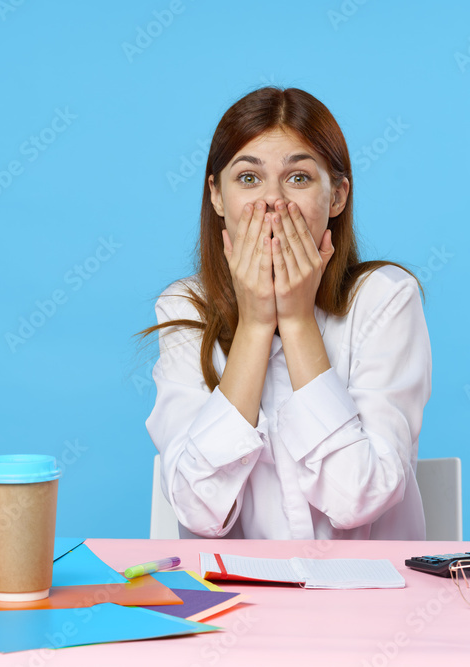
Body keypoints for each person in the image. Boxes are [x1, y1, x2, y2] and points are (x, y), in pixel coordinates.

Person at [143, 87, 431, 540]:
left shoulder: (385, 298)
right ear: (217, 197)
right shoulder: (184, 308)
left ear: (336, 197)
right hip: (236, 603)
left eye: (298, 178)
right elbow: (198, 511)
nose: (272, 203)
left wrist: (296, 321)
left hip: (370, 600)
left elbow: (359, 497)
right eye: (248, 179)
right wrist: (257, 325)